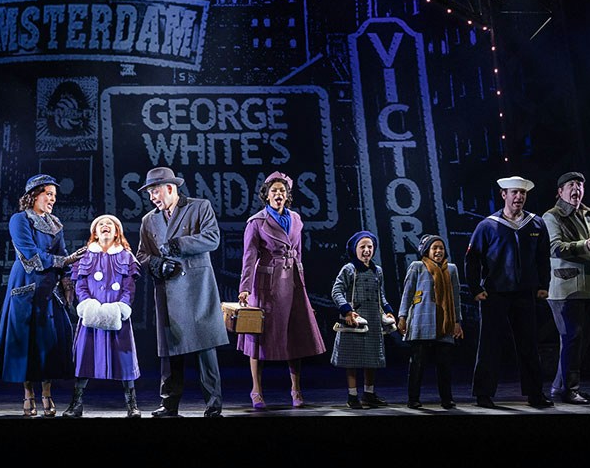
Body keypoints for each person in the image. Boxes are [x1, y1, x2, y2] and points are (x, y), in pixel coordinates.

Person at [136, 165, 228, 418]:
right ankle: (169, 405)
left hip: (197, 288)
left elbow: (212, 238)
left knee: (205, 349)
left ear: (170, 188)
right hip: (167, 289)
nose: (152, 197)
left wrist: (176, 245)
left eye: (155, 192)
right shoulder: (149, 220)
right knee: (170, 352)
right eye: (150, 193)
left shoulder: (199, 207)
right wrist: (157, 264)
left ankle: (213, 405)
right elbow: (142, 254)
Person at [0, 173, 82, 415]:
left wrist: (68, 278)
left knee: (48, 342)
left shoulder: (55, 223)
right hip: (27, 285)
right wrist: (64, 260)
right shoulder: (20, 220)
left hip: (51, 288)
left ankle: (47, 394)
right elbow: (29, 254)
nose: (52, 199)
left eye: (54, 195)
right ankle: (28, 394)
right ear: (34, 195)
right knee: (26, 341)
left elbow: (64, 255)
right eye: (48, 194)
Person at [237, 171, 326, 408]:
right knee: (258, 336)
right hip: (267, 284)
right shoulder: (256, 222)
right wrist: (244, 288)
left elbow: (298, 254)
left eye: (283, 191)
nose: (279, 194)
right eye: (274, 191)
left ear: (288, 196)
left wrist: (303, 286)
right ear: (266, 195)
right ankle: (256, 391)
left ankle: (296, 390)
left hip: (293, 283)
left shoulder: (296, 219)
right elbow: (249, 256)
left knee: (294, 335)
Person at [464, 175, 554, 409]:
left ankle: (535, 394)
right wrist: (475, 288)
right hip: (495, 293)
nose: (519, 197)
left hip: (525, 293)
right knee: (490, 345)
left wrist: (544, 284)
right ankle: (483, 394)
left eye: (522, 193)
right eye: (514, 192)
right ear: (504, 195)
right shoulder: (488, 225)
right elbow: (472, 259)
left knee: (529, 344)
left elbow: (543, 257)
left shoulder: (535, 223)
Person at [542, 171, 590, 404]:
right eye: (571, 185)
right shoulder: (553, 216)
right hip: (566, 288)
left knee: (580, 340)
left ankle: (558, 387)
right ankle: (570, 389)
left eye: (580, 185)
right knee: (572, 337)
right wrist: (585, 245)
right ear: (560, 191)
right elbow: (555, 247)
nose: (576, 189)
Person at [64, 214, 142, 418]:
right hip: (91, 316)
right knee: (84, 358)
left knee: (124, 359)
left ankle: (132, 405)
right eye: (100, 224)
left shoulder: (126, 257)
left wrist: (120, 308)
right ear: (94, 232)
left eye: (110, 224)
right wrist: (90, 306)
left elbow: (129, 289)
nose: (105, 226)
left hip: (118, 316)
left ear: (117, 232)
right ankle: (76, 403)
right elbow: (80, 286)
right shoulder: (85, 256)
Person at [330, 230, 395, 409]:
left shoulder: (377, 270)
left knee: (371, 358)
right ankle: (352, 395)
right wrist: (347, 311)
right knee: (352, 359)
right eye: (362, 247)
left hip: (372, 319)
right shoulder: (349, 269)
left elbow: (381, 295)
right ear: (355, 249)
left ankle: (369, 393)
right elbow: (337, 291)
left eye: (370, 247)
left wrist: (388, 311)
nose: (366, 250)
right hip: (355, 319)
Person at [396, 234, 464, 409]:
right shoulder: (417, 266)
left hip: (445, 321)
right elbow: (407, 293)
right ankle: (413, 398)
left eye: (441, 248)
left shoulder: (452, 269)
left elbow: (456, 297)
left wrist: (457, 321)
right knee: (417, 363)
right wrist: (402, 316)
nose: (438, 251)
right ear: (426, 250)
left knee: (445, 365)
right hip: (421, 319)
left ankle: (447, 399)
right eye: (435, 248)